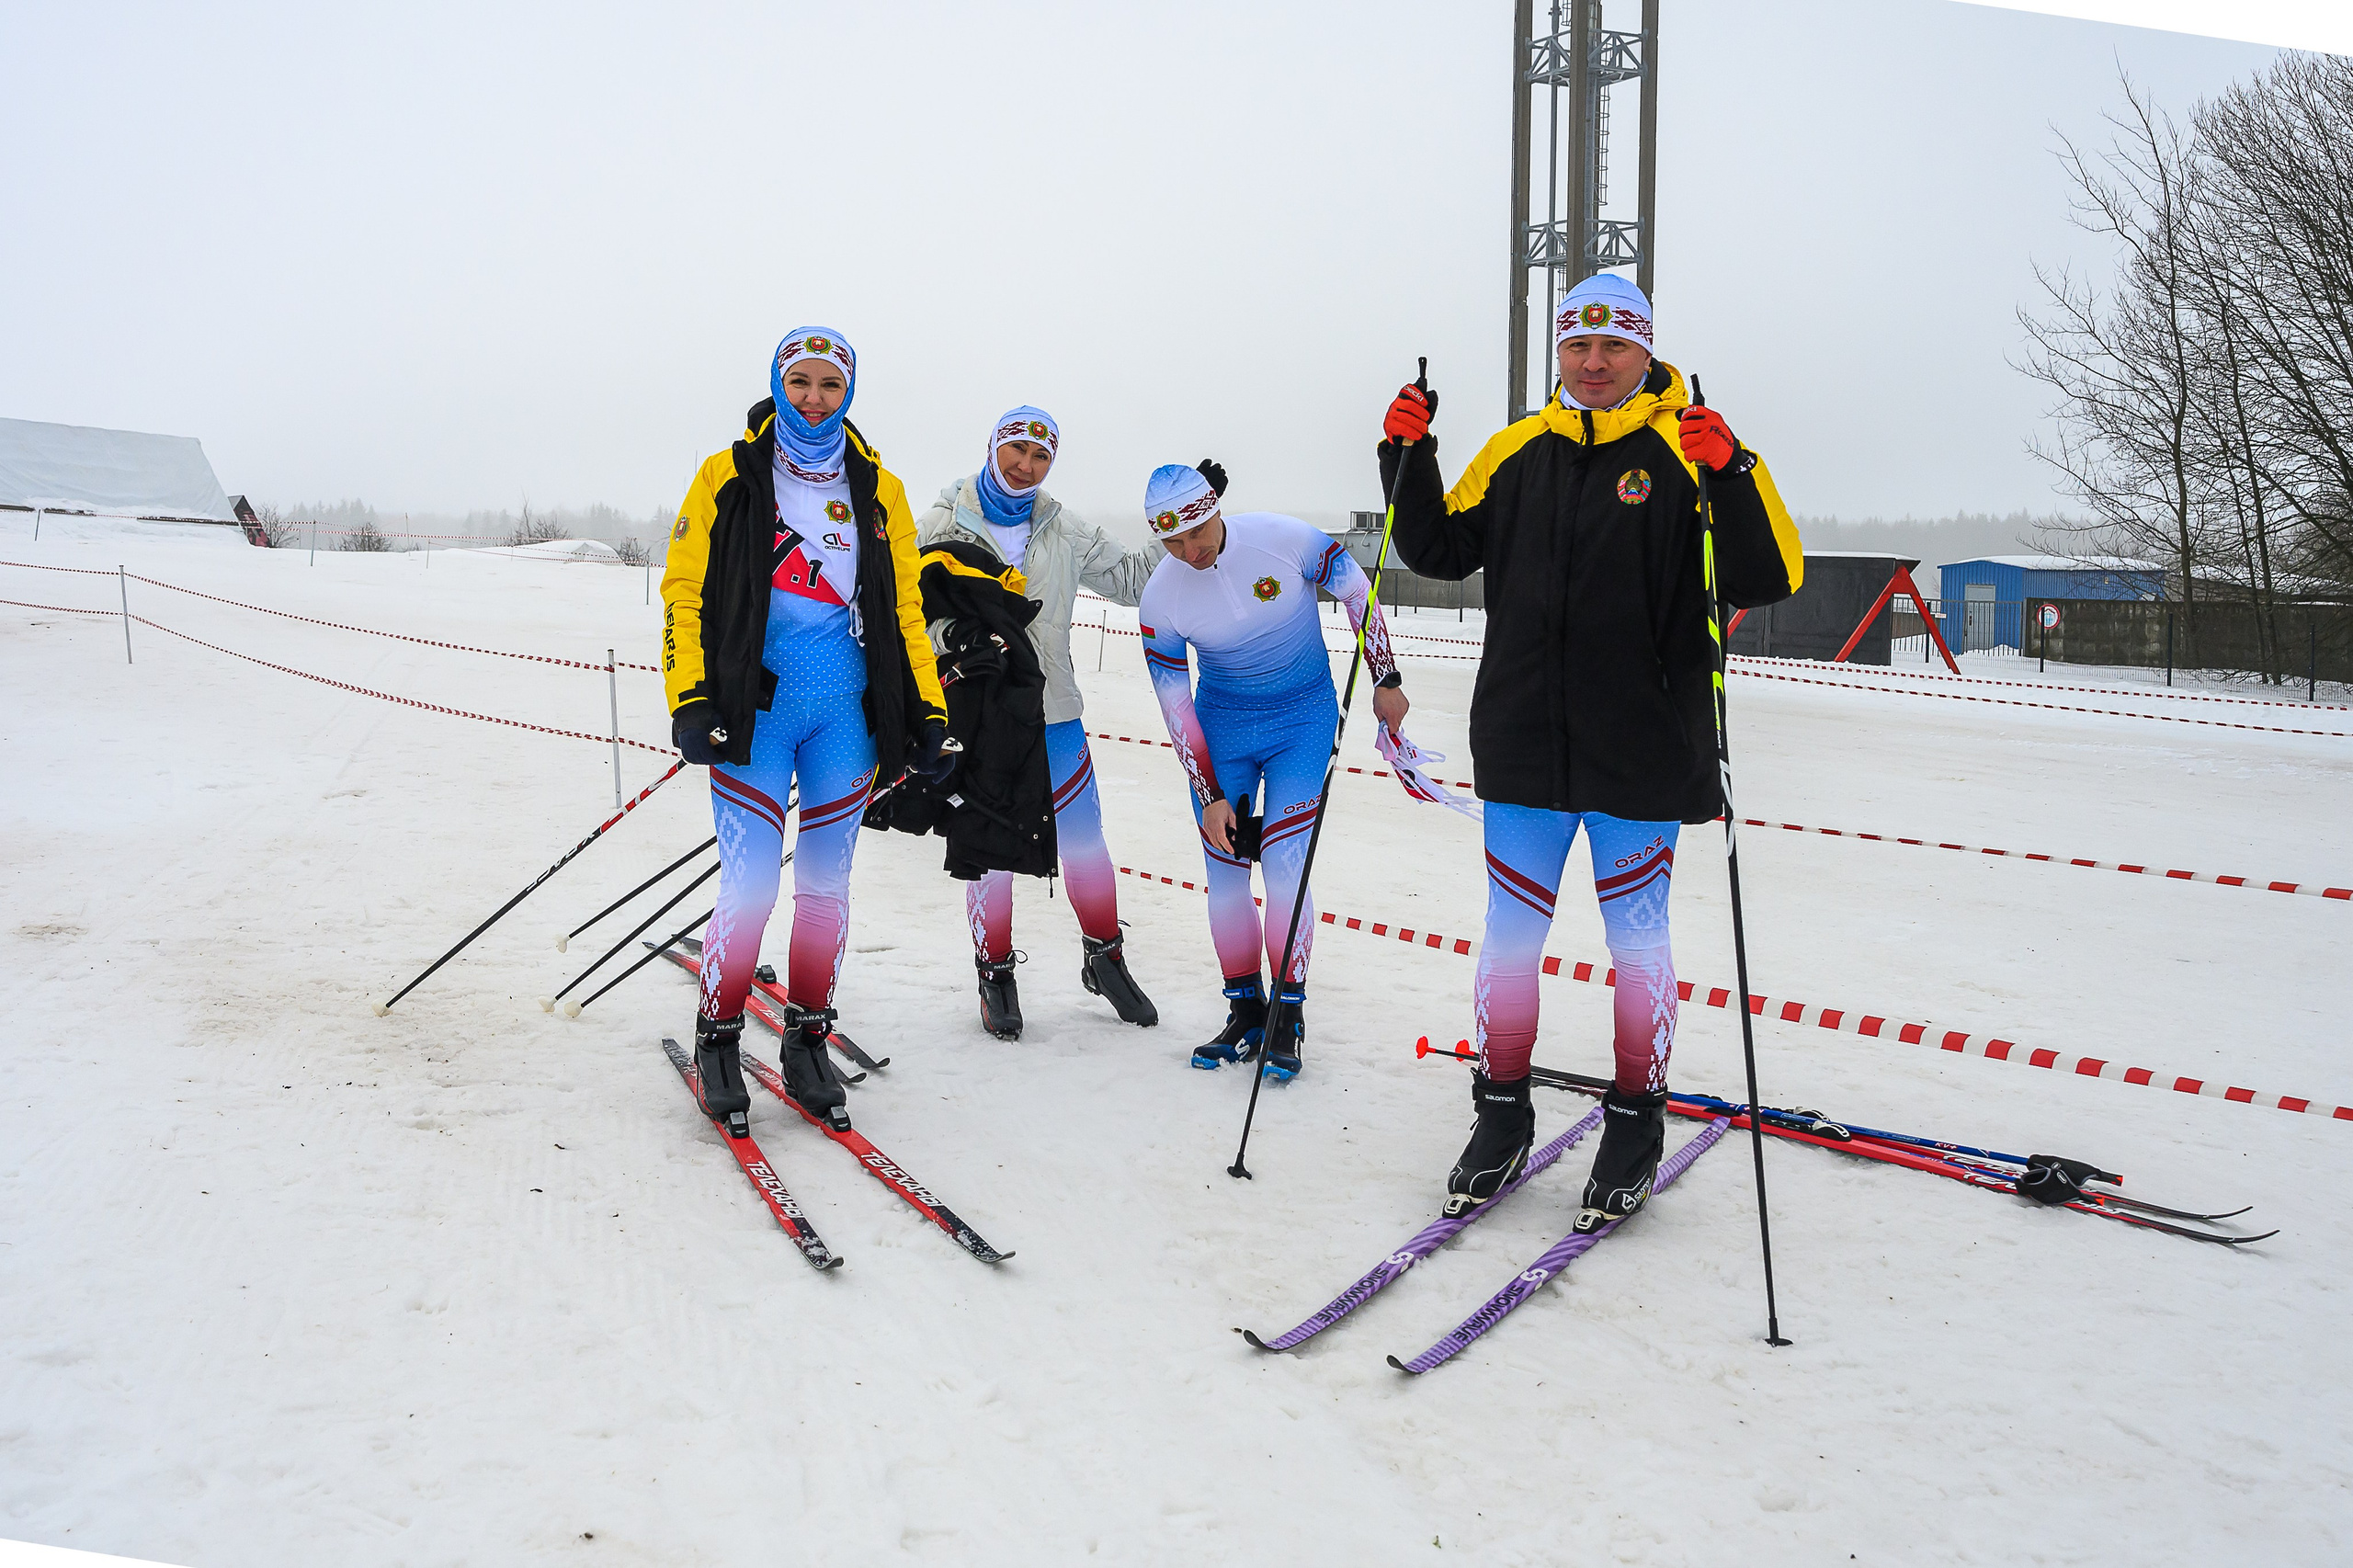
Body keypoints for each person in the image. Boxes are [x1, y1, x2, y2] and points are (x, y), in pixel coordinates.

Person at [1376, 273, 1802, 1227]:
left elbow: (1768, 573)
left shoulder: (1689, 442)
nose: (1595, 362)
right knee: (1509, 938)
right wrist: (1407, 454)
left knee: (1636, 941)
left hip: (1643, 750)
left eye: (1614, 345)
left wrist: (1732, 471)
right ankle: (1501, 1112)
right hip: (1524, 741)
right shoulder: (1517, 449)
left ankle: (1635, 1121)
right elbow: (1435, 550)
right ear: (1559, 352)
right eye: (1578, 345)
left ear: (1646, 350)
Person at [660, 327, 952, 1132]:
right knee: (752, 884)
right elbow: (684, 592)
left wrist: (928, 711)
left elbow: (904, 610)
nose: (814, 399)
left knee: (825, 887)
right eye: (800, 383)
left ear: (848, 392)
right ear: (777, 385)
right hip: (754, 713)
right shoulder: (727, 474)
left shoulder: (879, 487)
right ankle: (718, 1037)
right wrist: (690, 698)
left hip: (845, 716)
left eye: (830, 385)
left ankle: (807, 1038)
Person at [1136, 462, 1407, 1081]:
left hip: (1302, 721)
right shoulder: (1161, 597)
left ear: (1214, 509)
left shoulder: (1282, 539)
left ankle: (1289, 1014)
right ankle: (1246, 1011)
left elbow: (1355, 590)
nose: (1190, 551)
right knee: (1225, 871)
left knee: (1285, 865)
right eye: (1172, 541)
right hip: (1223, 729)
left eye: (1197, 532)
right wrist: (1208, 793)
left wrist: (1385, 675)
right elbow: (1175, 704)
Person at [917, 407, 1161, 1040]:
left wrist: (1177, 519)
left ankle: (1105, 957)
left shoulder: (1063, 528)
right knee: (989, 846)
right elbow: (909, 613)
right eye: (1017, 450)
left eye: (1041, 456)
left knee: (1085, 842)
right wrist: (956, 639)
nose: (1026, 466)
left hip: (1054, 711)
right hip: (981, 714)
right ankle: (994, 971)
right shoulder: (942, 524)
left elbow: (1134, 580)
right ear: (993, 446)